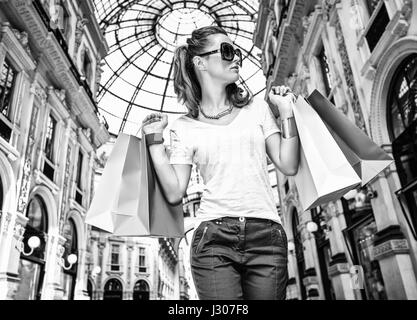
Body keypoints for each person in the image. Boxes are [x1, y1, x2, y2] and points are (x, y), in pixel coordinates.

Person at [141, 25, 300, 300]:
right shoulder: (184, 127)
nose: (236, 57)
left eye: (236, 51)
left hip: (267, 235)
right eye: (227, 51)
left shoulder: (258, 109)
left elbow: (288, 164)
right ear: (200, 63)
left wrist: (286, 112)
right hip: (212, 240)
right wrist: (155, 141)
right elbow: (175, 191)